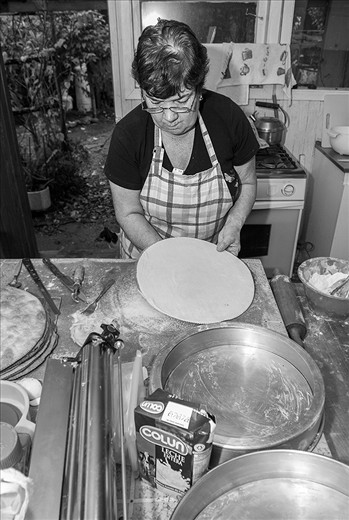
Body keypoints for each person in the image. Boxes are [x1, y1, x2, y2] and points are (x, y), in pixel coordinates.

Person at [105, 18, 259, 259]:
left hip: (210, 256)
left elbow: (247, 183)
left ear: (198, 88)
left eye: (180, 101)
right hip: (148, 256)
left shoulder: (229, 119)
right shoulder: (129, 134)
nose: (168, 117)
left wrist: (234, 223)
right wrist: (169, 258)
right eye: (155, 102)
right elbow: (127, 213)